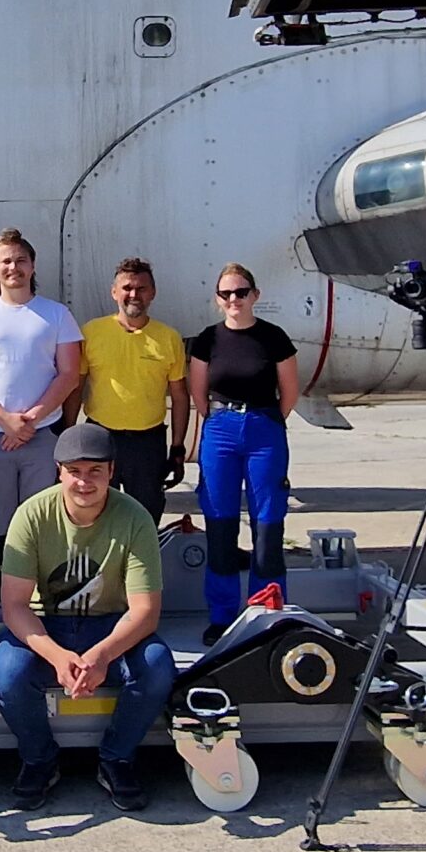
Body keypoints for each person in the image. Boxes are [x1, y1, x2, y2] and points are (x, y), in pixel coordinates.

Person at [0, 422, 175, 812]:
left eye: (95, 471)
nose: (84, 482)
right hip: (47, 623)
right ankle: (39, 759)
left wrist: (102, 655)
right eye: (74, 471)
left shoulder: (135, 518)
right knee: (8, 671)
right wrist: (59, 657)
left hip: (109, 624)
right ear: (59, 471)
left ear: (111, 471)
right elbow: (15, 607)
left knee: (157, 665)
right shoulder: (32, 516)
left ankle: (116, 758)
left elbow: (145, 611)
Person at [0, 228, 84, 644]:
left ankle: (45, 608)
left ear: (33, 265)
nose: (14, 268)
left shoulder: (56, 315)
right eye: (5, 261)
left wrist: (31, 419)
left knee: (44, 524)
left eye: (21, 260)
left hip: (41, 437)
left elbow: (69, 373)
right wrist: (6, 420)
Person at [188, 262, 301, 638]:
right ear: (217, 299)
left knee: (268, 524)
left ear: (255, 295)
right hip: (220, 429)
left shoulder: (274, 338)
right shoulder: (207, 340)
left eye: (240, 292)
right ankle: (222, 616)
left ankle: (266, 609)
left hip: (263, 430)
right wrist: (221, 420)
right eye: (226, 294)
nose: (234, 299)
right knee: (220, 524)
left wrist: (266, 420)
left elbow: (289, 392)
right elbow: (198, 393)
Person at [73, 257, 190, 520]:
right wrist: (66, 434)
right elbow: (75, 387)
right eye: (126, 288)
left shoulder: (168, 337)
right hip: (101, 438)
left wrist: (178, 447)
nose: (133, 294)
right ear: (114, 292)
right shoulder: (92, 332)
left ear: (153, 293)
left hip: (148, 443)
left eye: (141, 288)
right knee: (96, 514)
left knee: (146, 518)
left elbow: (181, 397)